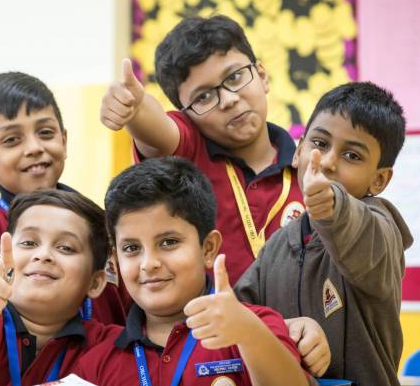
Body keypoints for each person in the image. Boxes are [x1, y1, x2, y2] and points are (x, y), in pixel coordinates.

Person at [100, 15, 305, 285]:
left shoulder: (310, 164)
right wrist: (135, 109)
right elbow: (158, 130)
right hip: (213, 324)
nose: (230, 100)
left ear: (262, 76)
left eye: (235, 77)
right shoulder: (190, 152)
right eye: (204, 97)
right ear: (187, 114)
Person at [74, 157, 312, 386]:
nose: (149, 263)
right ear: (115, 259)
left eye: (168, 242)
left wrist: (249, 334)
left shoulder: (258, 325)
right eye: (131, 248)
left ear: (208, 248)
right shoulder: (97, 362)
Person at [235, 82, 413, 385]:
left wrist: (332, 205)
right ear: (298, 151)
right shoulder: (277, 244)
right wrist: (284, 326)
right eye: (320, 143)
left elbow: (357, 230)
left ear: (380, 179)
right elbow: (243, 315)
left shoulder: (382, 229)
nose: (328, 162)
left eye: (352, 156)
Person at [0, 72, 127, 325]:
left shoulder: (99, 222)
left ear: (64, 141)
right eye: (12, 139)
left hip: (102, 362)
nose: (33, 147)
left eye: (45, 132)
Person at [0, 190, 117, 385]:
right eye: (29, 242)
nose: (43, 255)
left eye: (65, 247)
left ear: (96, 283)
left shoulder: (110, 347)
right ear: (0, 263)